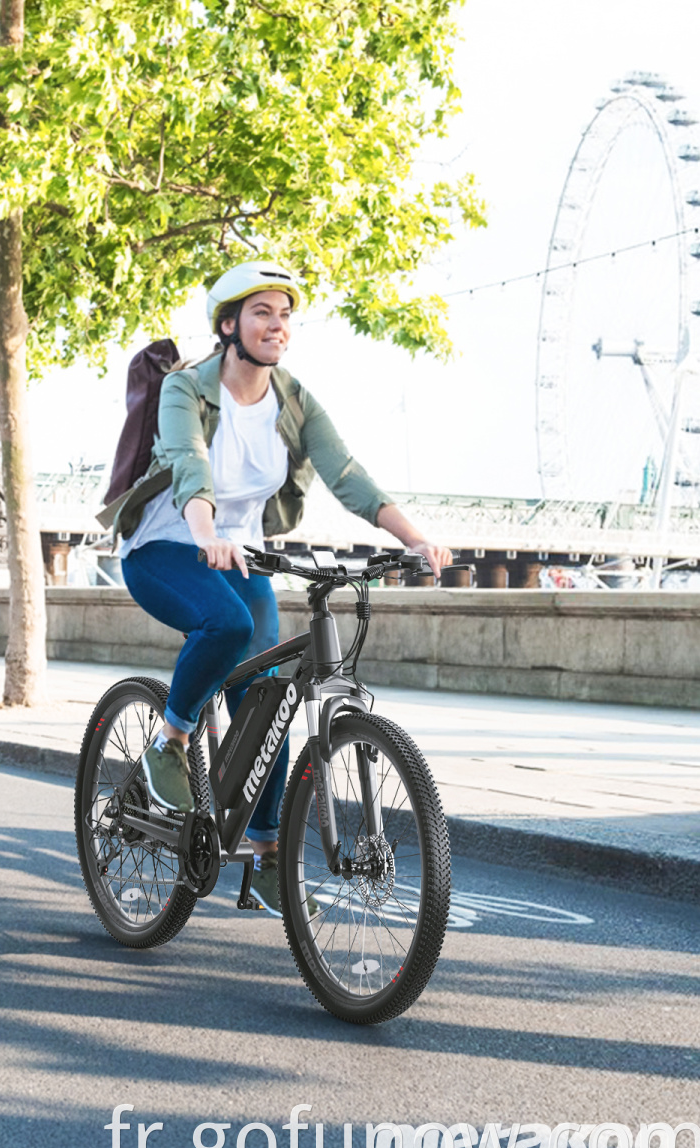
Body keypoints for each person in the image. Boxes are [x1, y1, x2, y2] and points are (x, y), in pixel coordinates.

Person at [109, 261, 452, 915]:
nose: (278, 325)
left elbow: (345, 472)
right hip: (166, 547)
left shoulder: (292, 399)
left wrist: (414, 538)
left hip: (242, 557)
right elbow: (189, 463)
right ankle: (170, 741)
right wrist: (206, 530)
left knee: (272, 701)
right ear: (229, 324)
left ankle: (265, 859)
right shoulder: (188, 389)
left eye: (285, 314)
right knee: (228, 628)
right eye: (263, 312)